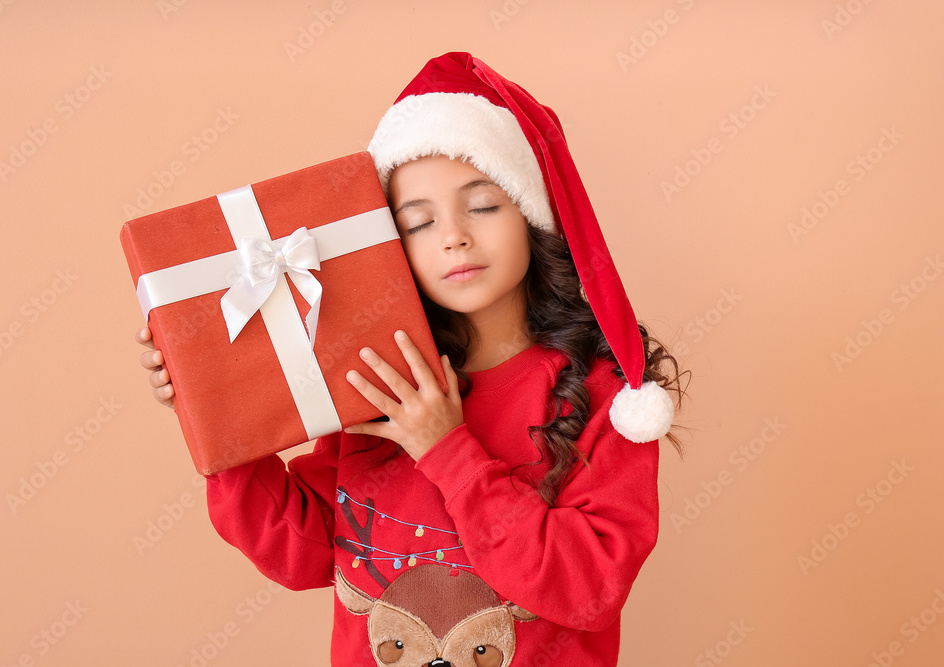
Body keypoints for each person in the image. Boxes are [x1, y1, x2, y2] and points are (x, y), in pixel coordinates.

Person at [137, 51, 687, 667]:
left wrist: (447, 450)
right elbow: (305, 552)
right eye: (418, 222)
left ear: (532, 216)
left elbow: (588, 590)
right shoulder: (380, 381)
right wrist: (216, 413)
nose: (453, 235)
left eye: (482, 205)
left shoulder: (608, 398)